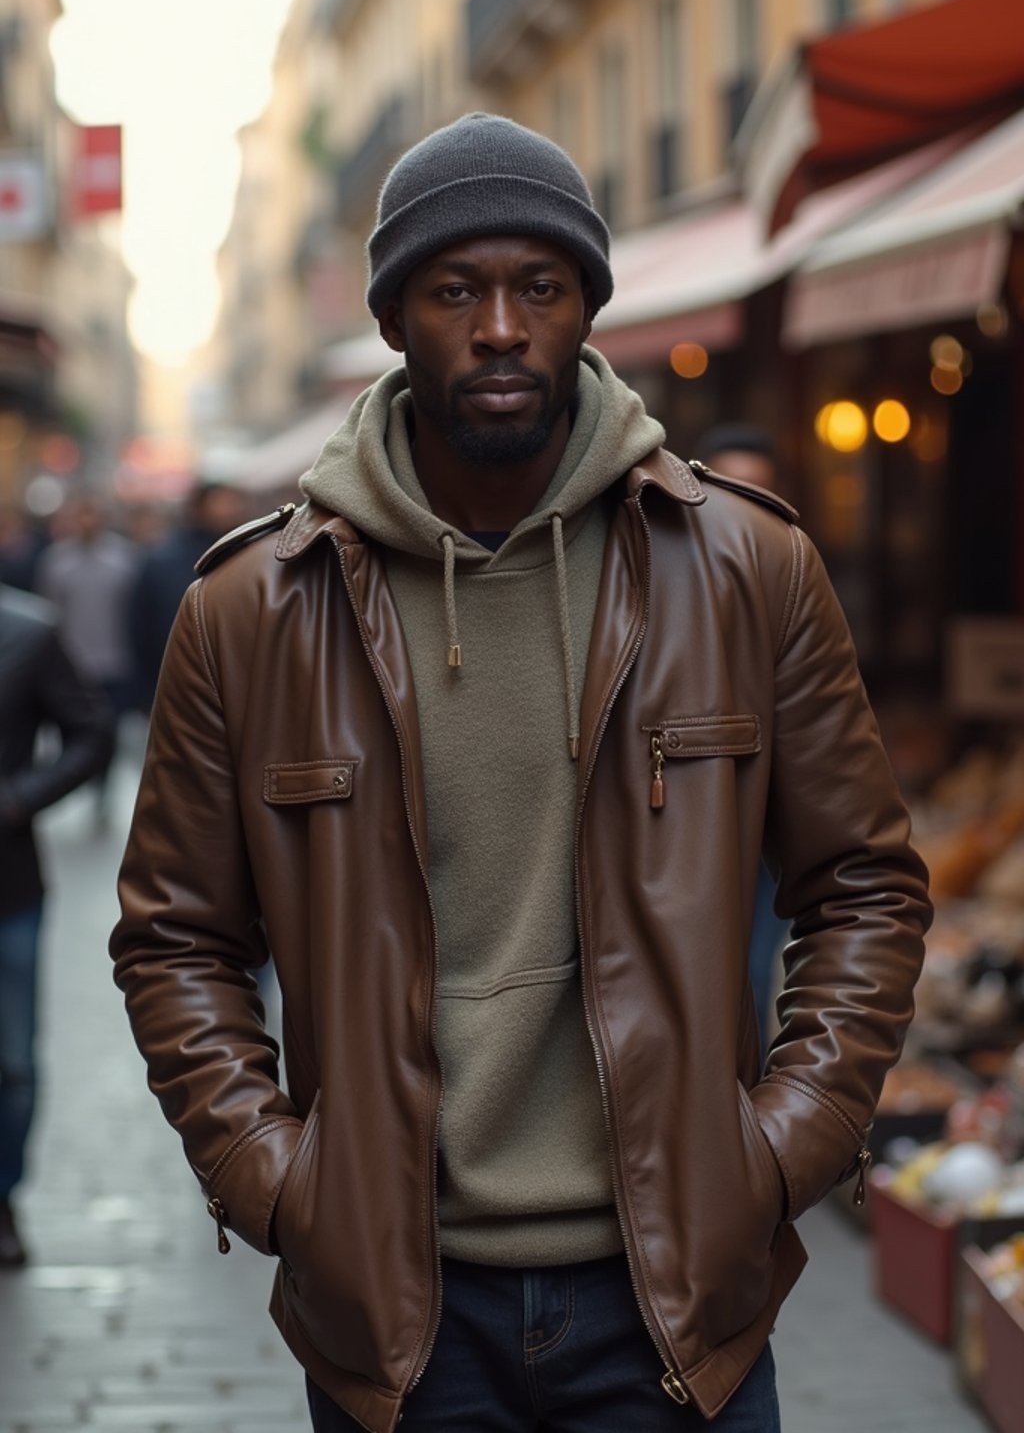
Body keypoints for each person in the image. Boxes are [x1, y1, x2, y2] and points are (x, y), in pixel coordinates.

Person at [111, 114, 931, 1432]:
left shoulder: (745, 569)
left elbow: (866, 888)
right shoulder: (253, 612)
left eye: (538, 289)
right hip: (400, 1315)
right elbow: (174, 940)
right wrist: (274, 1182)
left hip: (674, 1307)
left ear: (586, 312)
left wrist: (785, 1148)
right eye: (455, 291)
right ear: (393, 320)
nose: (499, 327)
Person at [1, 584, 113, 1265]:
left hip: (7, 890)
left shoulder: (28, 631)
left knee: (12, 1061)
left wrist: (20, 800)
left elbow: (91, 735)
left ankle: (3, 1196)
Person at [692, 424, 793, 1059]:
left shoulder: (796, 586)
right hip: (693, 826)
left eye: (759, 495)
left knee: (756, 977)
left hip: (771, 827)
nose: (743, 512)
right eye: (729, 491)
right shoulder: (666, 590)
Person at [36, 491, 140, 824]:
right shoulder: (56, 561)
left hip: (114, 661)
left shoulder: (126, 560)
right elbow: (47, 612)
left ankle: (102, 787)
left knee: (110, 729)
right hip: (71, 664)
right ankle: (82, 780)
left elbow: (136, 615)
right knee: (75, 731)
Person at [127, 480, 249, 712]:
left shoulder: (251, 553)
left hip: (238, 684)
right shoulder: (164, 559)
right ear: (199, 507)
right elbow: (142, 626)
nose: (230, 508)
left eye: (234, 501)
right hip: (178, 681)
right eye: (221, 501)